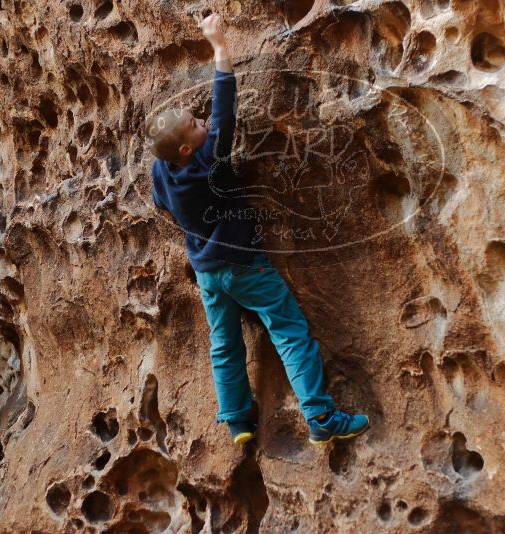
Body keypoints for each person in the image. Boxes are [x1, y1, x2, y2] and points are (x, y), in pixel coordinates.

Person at [143, 13, 369, 446]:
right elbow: (224, 107)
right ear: (190, 148)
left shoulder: (162, 170)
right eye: (195, 125)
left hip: (207, 271)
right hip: (244, 264)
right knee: (289, 331)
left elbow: (161, 202)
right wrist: (220, 47)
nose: (204, 121)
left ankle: (238, 421)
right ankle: (321, 417)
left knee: (224, 343)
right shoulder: (210, 160)